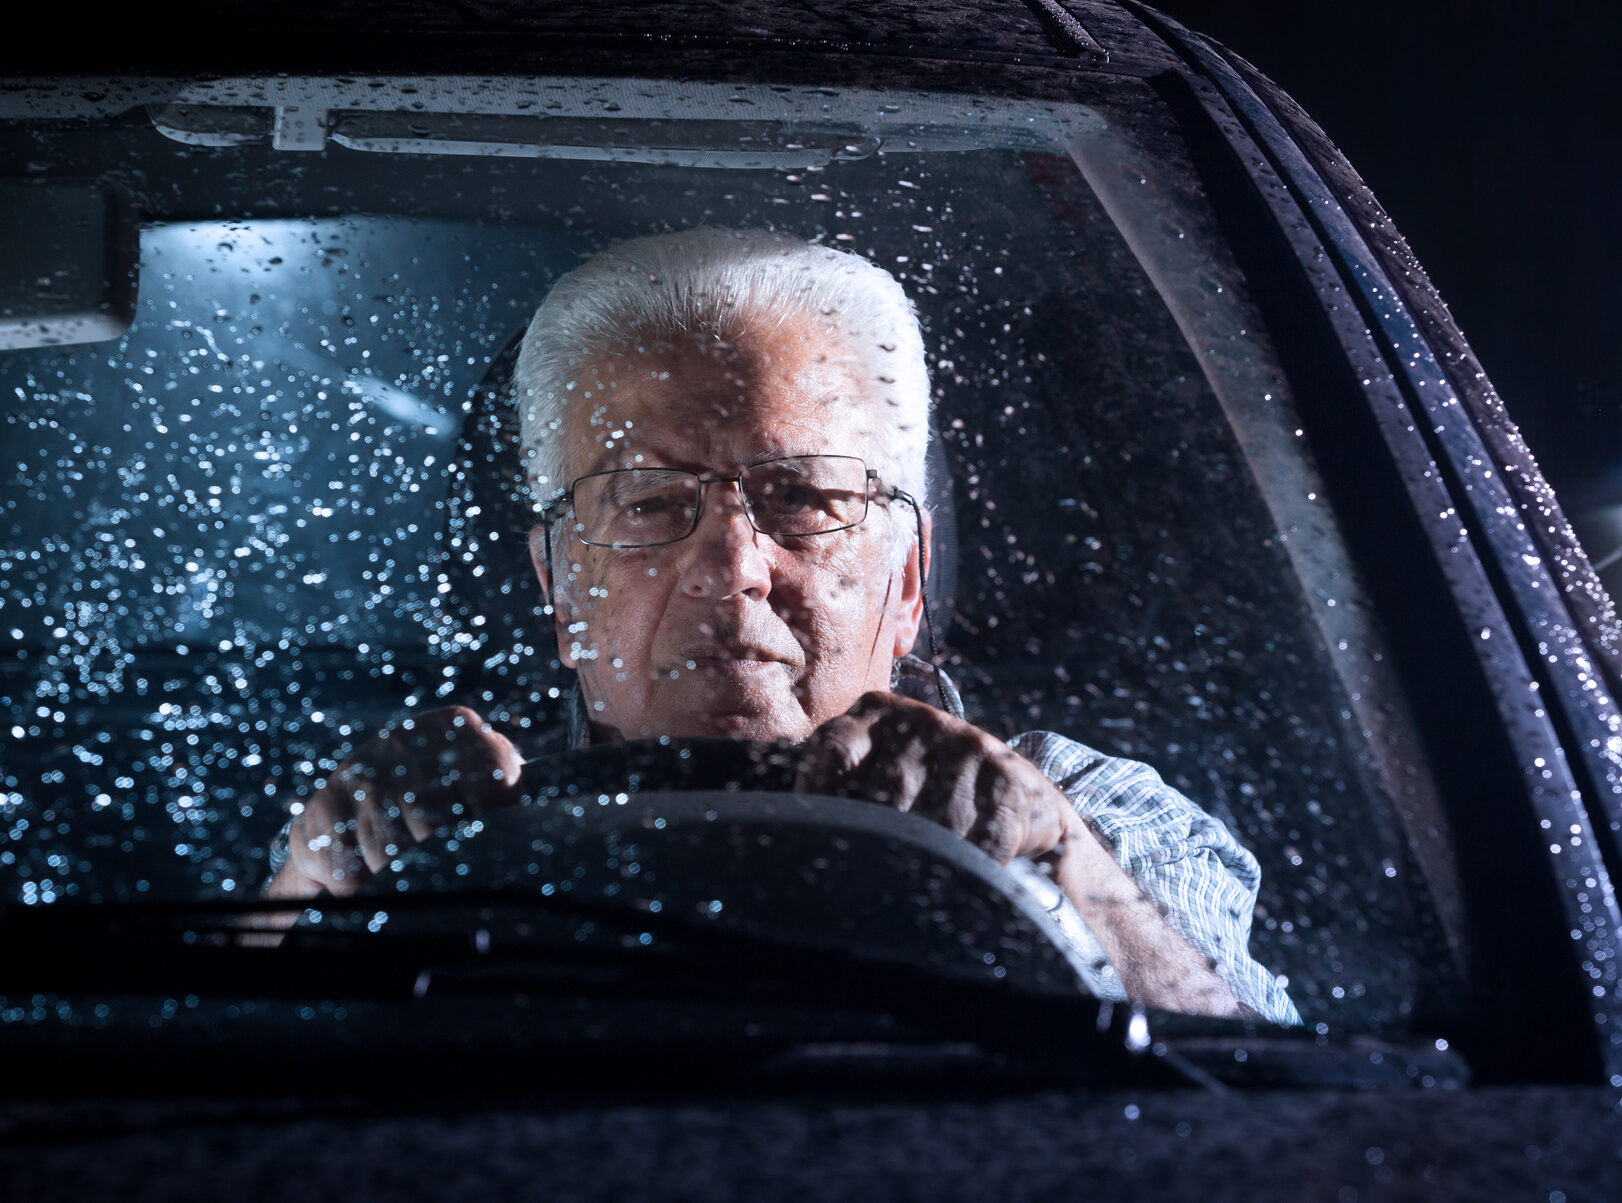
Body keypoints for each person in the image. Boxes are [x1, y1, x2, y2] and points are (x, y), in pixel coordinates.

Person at [257, 229, 1298, 1025]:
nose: (730, 569)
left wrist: (1060, 862)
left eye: (803, 497)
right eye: (649, 503)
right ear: (559, 590)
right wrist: (313, 888)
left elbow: (1287, 1117)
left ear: (906, 581)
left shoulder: (1090, 814)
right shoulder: (426, 833)